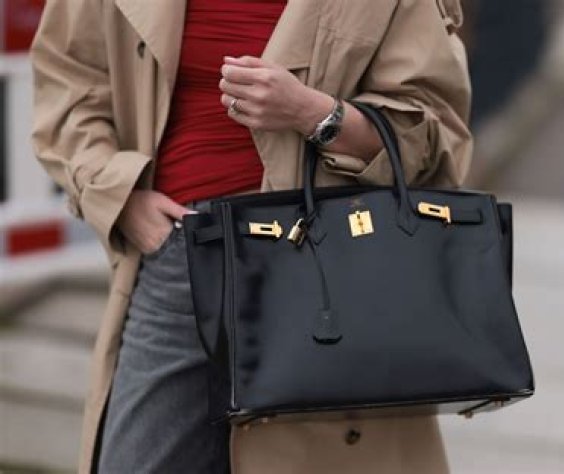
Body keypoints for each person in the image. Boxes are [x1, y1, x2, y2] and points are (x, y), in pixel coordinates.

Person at [30, 0, 473, 472]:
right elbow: (68, 83)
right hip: (178, 254)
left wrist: (313, 113)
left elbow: (435, 134)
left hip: (325, 268)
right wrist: (120, 196)